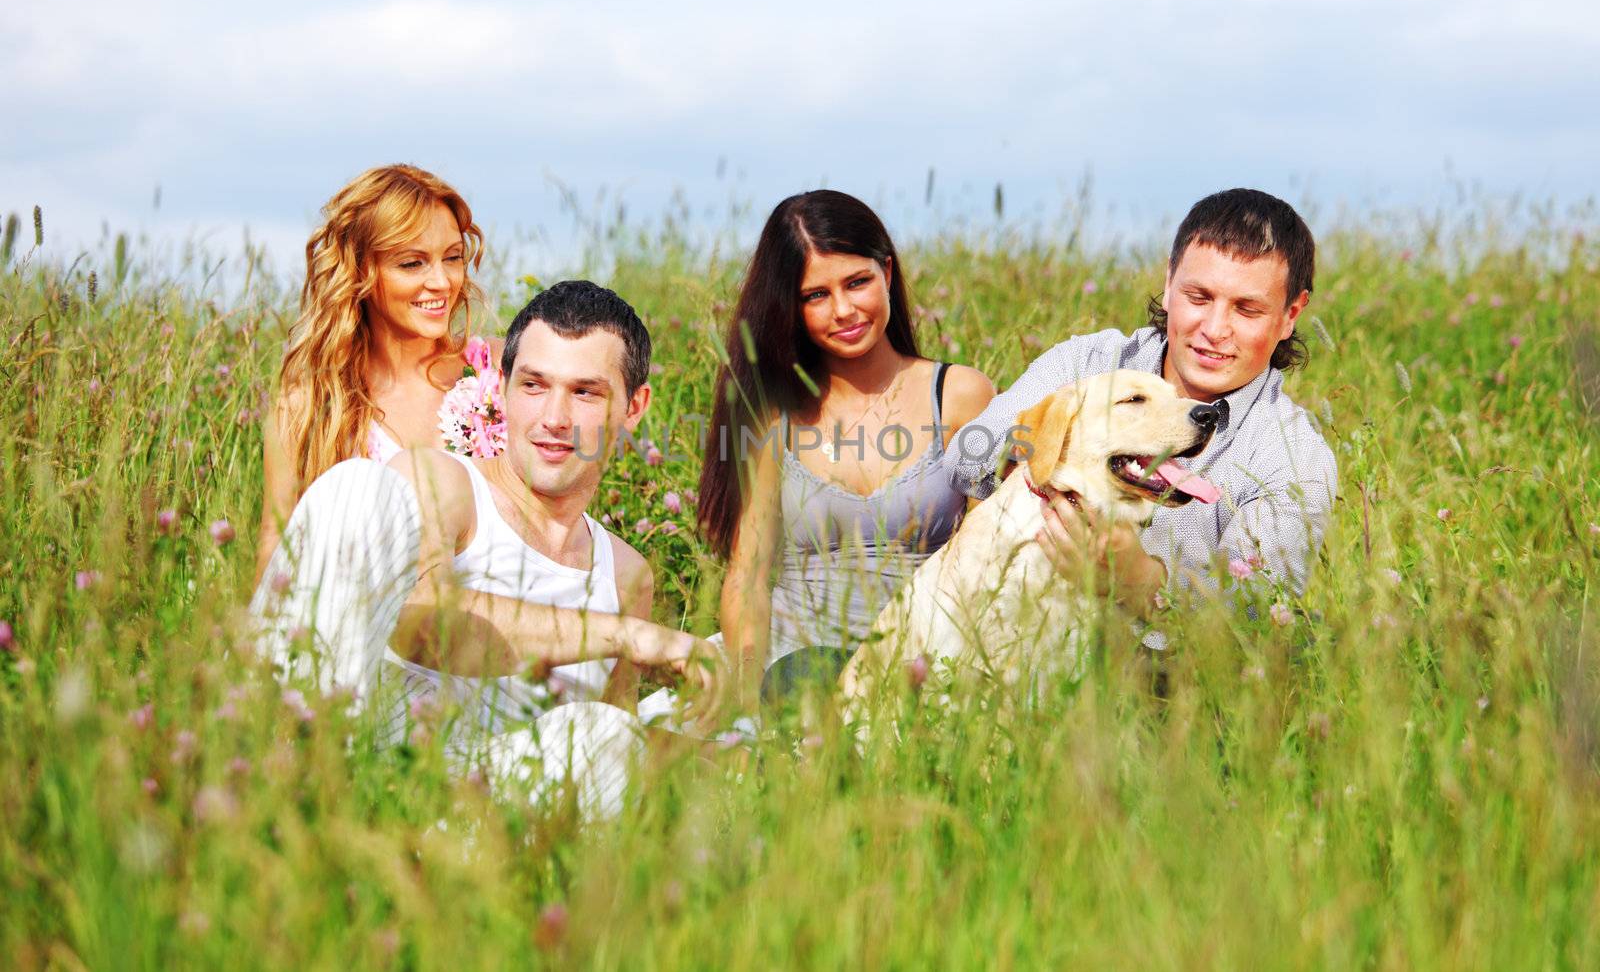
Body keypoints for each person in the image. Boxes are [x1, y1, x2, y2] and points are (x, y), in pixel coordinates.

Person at [253, 281, 721, 817]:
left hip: (491, 821)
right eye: (534, 385)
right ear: (501, 388)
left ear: (634, 407)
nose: (554, 418)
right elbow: (423, 630)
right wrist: (624, 634)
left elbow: (611, 747)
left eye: (585, 392)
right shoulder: (444, 486)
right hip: (374, 774)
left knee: (618, 727)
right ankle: (282, 793)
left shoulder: (626, 575)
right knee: (357, 486)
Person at [948, 187, 1337, 611]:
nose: (1215, 328)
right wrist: (1076, 487)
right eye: (1199, 297)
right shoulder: (1089, 362)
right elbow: (969, 456)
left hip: (1163, 673)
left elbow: (1255, 611)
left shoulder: (1295, 458)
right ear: (1169, 284)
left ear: (1290, 315)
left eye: (1246, 310)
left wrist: (1140, 582)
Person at [696, 190, 995, 710]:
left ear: (887, 271)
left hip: (920, 669)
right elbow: (749, 573)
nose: (843, 310)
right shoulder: (775, 415)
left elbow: (992, 560)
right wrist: (745, 693)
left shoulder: (961, 396)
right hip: (790, 671)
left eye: (857, 282)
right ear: (790, 306)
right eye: (816, 295)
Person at [257, 164, 503, 581]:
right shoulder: (312, 406)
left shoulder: (496, 371)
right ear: (360, 271)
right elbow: (276, 546)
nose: (442, 282)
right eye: (412, 264)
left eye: (453, 258)